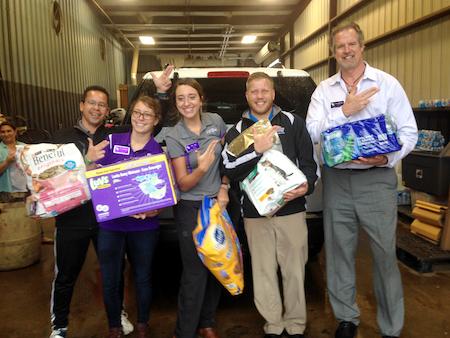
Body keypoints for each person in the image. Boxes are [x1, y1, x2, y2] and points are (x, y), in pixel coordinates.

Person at [306, 22, 418, 338]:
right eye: (340, 46)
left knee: (384, 254)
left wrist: (388, 157)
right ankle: (346, 319)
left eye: (351, 44)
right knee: (339, 252)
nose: (346, 50)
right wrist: (345, 110)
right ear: (333, 52)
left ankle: (391, 327)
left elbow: (409, 132)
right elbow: (312, 131)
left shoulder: (387, 85)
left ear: (362, 45)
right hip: (337, 182)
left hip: (377, 180)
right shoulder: (324, 91)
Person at [222, 72, 318, 338]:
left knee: (295, 270)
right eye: (254, 91)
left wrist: (306, 186)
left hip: (292, 210)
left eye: (265, 91)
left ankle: (296, 324)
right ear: (247, 95)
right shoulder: (239, 131)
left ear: (273, 93)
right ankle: (274, 325)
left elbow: (310, 164)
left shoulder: (292, 122)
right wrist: (256, 150)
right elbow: (229, 169)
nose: (260, 96)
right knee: (263, 271)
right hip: (255, 214)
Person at [49, 85, 133, 338]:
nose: (96, 108)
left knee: (115, 271)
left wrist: (161, 93)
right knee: (65, 275)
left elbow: (149, 123)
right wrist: (87, 159)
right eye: (92, 103)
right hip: (71, 218)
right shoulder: (61, 137)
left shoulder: (115, 136)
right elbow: (53, 178)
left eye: (102, 104)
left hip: (107, 218)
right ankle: (59, 326)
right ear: (81, 105)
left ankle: (117, 314)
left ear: (107, 110)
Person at [86, 96, 163, 338]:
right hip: (112, 224)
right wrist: (88, 162)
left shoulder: (157, 151)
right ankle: (114, 326)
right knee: (110, 277)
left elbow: (162, 195)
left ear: (156, 120)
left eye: (147, 114)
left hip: (144, 227)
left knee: (142, 276)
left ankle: (142, 323)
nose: (140, 118)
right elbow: (92, 177)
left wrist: (153, 210)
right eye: (137, 112)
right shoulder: (111, 141)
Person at [164, 78, 229, 338]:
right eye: (181, 98)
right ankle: (185, 332)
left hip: (218, 204)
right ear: (176, 103)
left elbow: (229, 159)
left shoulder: (216, 122)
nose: (187, 102)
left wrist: (224, 186)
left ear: (201, 99)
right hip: (191, 209)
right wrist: (201, 167)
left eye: (192, 97)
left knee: (216, 265)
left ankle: (207, 322)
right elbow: (184, 183)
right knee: (194, 272)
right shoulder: (174, 135)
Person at [0, 121, 27, 201]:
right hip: (6, 193)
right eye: (2, 132)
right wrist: (7, 162)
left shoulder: (25, 147)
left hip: (26, 189)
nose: (6, 134)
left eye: (9, 131)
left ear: (15, 132)